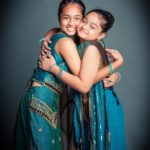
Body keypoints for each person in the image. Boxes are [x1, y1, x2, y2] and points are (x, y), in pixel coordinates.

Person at [39, 8, 126, 150]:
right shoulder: (79, 42)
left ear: (102, 34)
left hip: (101, 107)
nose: (85, 27)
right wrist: (45, 39)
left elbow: (86, 83)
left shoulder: (91, 47)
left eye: (92, 27)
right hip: (84, 104)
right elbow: (56, 30)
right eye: (85, 21)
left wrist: (116, 64)